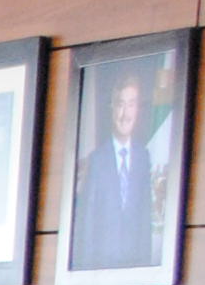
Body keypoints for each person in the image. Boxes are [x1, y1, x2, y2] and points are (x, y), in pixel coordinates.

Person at [68, 71, 164, 272]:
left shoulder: (143, 157)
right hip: (101, 268)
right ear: (112, 108)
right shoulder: (97, 160)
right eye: (120, 104)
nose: (125, 114)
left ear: (138, 109)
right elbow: (88, 223)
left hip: (134, 267)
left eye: (131, 105)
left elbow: (144, 219)